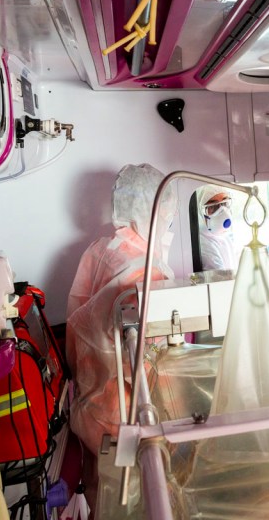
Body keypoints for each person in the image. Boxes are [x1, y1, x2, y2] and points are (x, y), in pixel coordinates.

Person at [66, 163, 177, 451]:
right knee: (131, 491)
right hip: (125, 417)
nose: (168, 222)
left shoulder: (102, 249)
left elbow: (75, 316)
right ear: (152, 212)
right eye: (167, 214)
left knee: (102, 489)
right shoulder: (148, 270)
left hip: (90, 403)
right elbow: (153, 361)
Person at [197, 185, 269, 271]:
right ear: (200, 213)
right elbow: (228, 287)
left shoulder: (222, 237)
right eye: (212, 207)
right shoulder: (204, 248)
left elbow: (240, 271)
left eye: (224, 203)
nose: (222, 212)